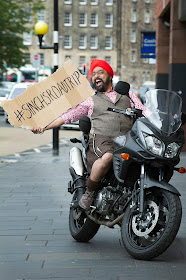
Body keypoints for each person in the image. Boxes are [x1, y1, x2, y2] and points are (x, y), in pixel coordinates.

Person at [31, 59, 147, 210]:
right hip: (101, 140)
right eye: (93, 74)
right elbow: (68, 116)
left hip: (127, 141)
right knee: (108, 156)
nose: (96, 76)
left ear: (110, 76)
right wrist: (44, 126)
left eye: (101, 72)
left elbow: (145, 112)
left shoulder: (127, 94)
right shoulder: (90, 99)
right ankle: (90, 192)